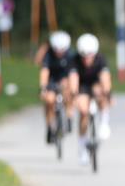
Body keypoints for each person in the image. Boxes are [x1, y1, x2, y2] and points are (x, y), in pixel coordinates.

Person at [70, 33, 112, 164]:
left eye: (90, 56)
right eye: (84, 56)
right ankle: (82, 146)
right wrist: (74, 95)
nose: (87, 60)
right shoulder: (74, 60)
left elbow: (105, 78)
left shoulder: (100, 59)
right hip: (82, 86)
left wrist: (108, 93)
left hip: (95, 84)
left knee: (101, 92)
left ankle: (104, 122)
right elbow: (73, 80)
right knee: (83, 111)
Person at [38, 30, 74, 144]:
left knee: (68, 92)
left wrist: (71, 85)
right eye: (56, 50)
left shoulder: (70, 55)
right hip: (52, 80)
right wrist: (43, 87)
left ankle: (69, 117)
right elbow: (44, 71)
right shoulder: (48, 54)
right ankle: (49, 127)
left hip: (65, 78)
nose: (59, 53)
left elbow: (73, 73)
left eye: (62, 50)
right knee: (49, 100)